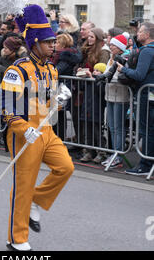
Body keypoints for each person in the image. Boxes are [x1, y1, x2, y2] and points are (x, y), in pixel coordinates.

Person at [0, 4, 74, 251]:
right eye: (48, 41)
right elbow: (5, 105)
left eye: (54, 41)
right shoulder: (17, 69)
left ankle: (37, 201)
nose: (53, 45)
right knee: (23, 185)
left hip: (47, 131)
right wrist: (21, 128)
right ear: (35, 43)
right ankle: (16, 238)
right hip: (25, 133)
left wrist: (59, 101)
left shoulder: (51, 69)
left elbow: (48, 104)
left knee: (65, 167)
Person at [117, 22, 154, 176]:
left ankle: (145, 165)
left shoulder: (147, 51)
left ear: (147, 34)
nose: (137, 35)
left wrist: (123, 69)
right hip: (149, 94)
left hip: (146, 95)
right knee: (149, 130)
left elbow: (139, 75)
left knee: (147, 131)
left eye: (139, 32)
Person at [96, 32, 131, 168]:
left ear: (120, 47)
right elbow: (107, 74)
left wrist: (106, 78)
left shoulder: (125, 58)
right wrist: (99, 75)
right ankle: (114, 154)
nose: (110, 47)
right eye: (110, 45)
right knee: (111, 126)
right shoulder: (112, 58)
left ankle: (119, 156)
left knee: (118, 127)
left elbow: (123, 76)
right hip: (110, 95)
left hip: (121, 96)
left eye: (113, 45)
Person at [76, 28, 110, 163]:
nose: (89, 39)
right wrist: (80, 70)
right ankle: (89, 150)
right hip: (88, 89)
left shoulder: (104, 52)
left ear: (98, 38)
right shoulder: (87, 50)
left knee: (96, 123)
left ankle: (101, 151)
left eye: (92, 37)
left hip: (97, 89)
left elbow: (102, 70)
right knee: (86, 121)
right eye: (88, 36)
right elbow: (82, 65)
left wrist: (92, 75)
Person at [50, 33, 82, 141]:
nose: (54, 44)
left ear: (63, 44)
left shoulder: (65, 57)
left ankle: (59, 140)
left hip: (62, 88)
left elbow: (57, 71)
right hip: (58, 86)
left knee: (59, 114)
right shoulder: (58, 55)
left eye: (57, 42)